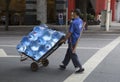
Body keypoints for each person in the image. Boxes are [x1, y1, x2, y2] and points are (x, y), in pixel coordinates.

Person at [59, 9, 84, 73]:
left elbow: (70, 32)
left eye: (73, 13)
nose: (72, 14)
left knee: (72, 53)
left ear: (75, 13)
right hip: (76, 38)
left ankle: (79, 67)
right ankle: (64, 64)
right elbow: (81, 29)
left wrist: (64, 39)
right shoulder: (80, 21)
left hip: (72, 40)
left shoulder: (74, 22)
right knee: (69, 52)